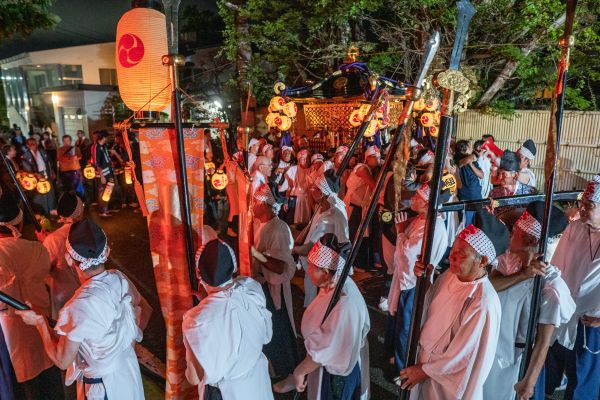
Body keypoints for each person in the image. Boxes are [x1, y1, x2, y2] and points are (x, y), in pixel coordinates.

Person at [18, 218, 149, 400]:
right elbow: (141, 310)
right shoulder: (119, 279)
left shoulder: (77, 307)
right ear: (107, 251)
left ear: (68, 259)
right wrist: (125, 345)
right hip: (128, 372)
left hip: (104, 389)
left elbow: (62, 360)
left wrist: (40, 324)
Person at [400, 210, 507, 399]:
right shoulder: (450, 275)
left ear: (482, 261)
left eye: (460, 255)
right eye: (453, 250)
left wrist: (424, 370)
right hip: (424, 361)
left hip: (445, 378)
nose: (451, 257)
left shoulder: (482, 302)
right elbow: (432, 304)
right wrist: (425, 279)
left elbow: (465, 355)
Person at [484, 202, 574, 400]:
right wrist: (522, 275)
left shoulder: (550, 287)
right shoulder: (507, 262)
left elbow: (543, 341)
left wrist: (529, 382)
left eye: (515, 230)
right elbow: (486, 287)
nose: (510, 234)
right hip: (490, 345)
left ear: (531, 240)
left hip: (516, 358)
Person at [275, 233, 370, 400]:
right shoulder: (333, 284)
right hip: (324, 362)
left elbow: (326, 346)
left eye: (312, 267)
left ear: (326, 273)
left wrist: (300, 372)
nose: (308, 270)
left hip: (336, 375)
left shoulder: (344, 304)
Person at [182, 238, 274, 399]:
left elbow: (194, 377)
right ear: (234, 267)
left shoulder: (196, 321)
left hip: (227, 393)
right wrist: (208, 302)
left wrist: (206, 305)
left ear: (197, 273)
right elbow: (230, 309)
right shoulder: (252, 288)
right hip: (258, 384)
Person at [541, 175, 600, 399]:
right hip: (562, 313)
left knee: (581, 383)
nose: (582, 209)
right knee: (549, 370)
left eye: (589, 205)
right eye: (582, 203)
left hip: (591, 322)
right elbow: (557, 266)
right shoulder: (575, 228)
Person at [0, 192, 63, 399]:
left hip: (11, 333)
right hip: (41, 320)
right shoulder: (37, 249)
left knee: (24, 386)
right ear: (18, 222)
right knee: (50, 379)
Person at [385, 184, 449, 378]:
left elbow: (408, 254)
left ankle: (402, 369)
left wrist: (400, 232)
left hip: (414, 281)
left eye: (417, 197)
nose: (412, 199)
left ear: (427, 204)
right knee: (400, 320)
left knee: (406, 326)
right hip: (406, 278)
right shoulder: (422, 220)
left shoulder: (433, 226)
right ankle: (395, 357)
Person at [252, 183, 299, 378]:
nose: (252, 206)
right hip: (264, 286)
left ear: (264, 205)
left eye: (254, 203)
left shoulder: (278, 229)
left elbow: (280, 267)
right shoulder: (261, 225)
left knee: (278, 329)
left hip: (274, 289)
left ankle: (286, 372)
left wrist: (256, 254)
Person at [294, 169, 349, 306]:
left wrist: (293, 249)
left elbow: (311, 247)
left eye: (314, 188)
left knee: (318, 300)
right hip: (314, 264)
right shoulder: (323, 206)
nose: (311, 190)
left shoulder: (331, 216)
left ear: (322, 192)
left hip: (322, 269)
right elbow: (311, 227)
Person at [42, 192, 85, 319]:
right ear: (81, 211)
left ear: (61, 215)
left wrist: (44, 243)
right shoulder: (92, 232)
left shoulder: (53, 240)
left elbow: (43, 270)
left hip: (65, 297)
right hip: (90, 291)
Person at [343, 145, 381, 270]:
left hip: (360, 207)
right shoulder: (362, 168)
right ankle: (351, 263)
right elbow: (374, 186)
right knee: (354, 235)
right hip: (353, 207)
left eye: (379, 156)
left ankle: (360, 263)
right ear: (367, 158)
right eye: (374, 157)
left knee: (361, 235)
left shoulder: (370, 169)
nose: (378, 159)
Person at [489, 150, 537, 228]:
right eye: (499, 173)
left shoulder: (528, 193)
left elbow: (533, 218)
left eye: (504, 174)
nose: (500, 177)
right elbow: (494, 212)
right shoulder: (494, 193)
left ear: (515, 175)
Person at [21, 137, 57, 216]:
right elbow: (27, 168)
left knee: (50, 191)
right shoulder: (26, 155)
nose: (33, 145)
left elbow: (48, 162)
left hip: (46, 173)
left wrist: (52, 171)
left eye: (34, 143)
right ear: (28, 145)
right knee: (41, 194)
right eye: (31, 144)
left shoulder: (42, 151)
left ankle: (51, 210)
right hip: (36, 176)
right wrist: (36, 174)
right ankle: (43, 212)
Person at [454, 140, 483, 226]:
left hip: (476, 196)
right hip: (466, 197)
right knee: (467, 224)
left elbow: (481, 175)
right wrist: (474, 156)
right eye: (469, 147)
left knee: (478, 222)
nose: (471, 149)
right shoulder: (456, 160)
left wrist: (471, 165)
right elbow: (463, 162)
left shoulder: (472, 161)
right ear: (463, 150)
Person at [92, 130, 114, 217]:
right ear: (103, 137)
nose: (107, 139)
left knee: (108, 191)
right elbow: (97, 164)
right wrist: (102, 176)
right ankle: (102, 211)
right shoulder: (96, 147)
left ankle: (106, 208)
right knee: (102, 192)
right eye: (106, 137)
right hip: (102, 174)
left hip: (109, 172)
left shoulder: (104, 146)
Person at [291, 149, 313, 228]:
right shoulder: (296, 168)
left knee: (307, 213)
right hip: (300, 195)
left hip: (309, 195)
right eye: (303, 159)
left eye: (306, 158)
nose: (305, 161)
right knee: (300, 213)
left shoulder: (311, 168)